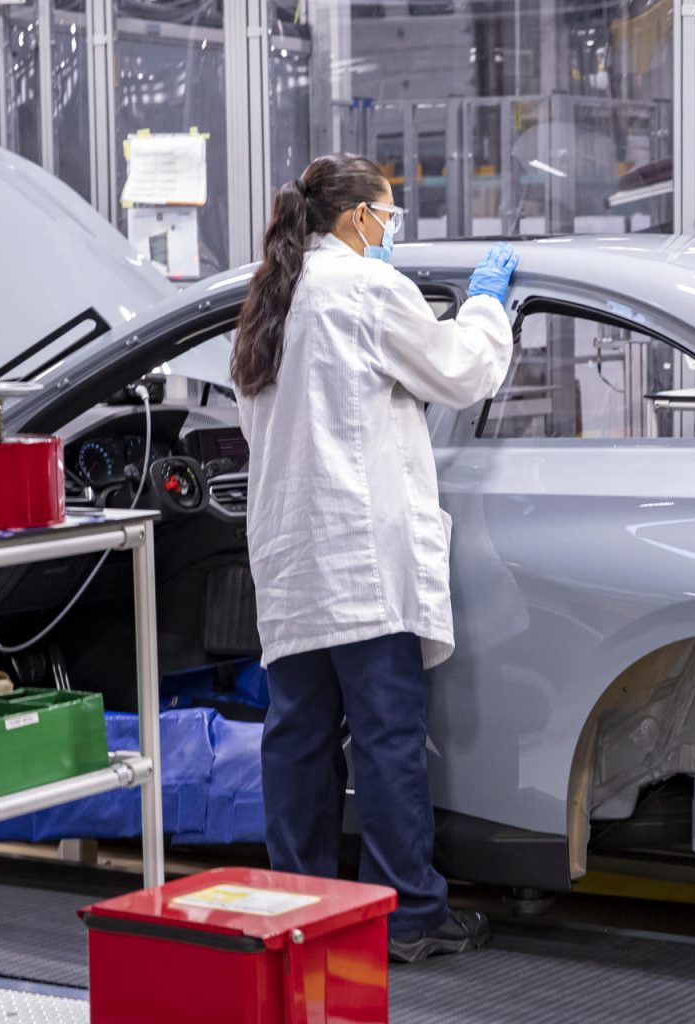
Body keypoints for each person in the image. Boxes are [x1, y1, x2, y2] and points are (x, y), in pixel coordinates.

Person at [230, 153, 518, 963]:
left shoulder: (270, 300)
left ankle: (300, 912)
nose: (391, 232)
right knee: (387, 737)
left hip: (294, 558)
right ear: (360, 218)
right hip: (362, 554)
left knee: (298, 743)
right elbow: (459, 372)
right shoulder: (364, 288)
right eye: (390, 217)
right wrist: (488, 306)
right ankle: (412, 916)